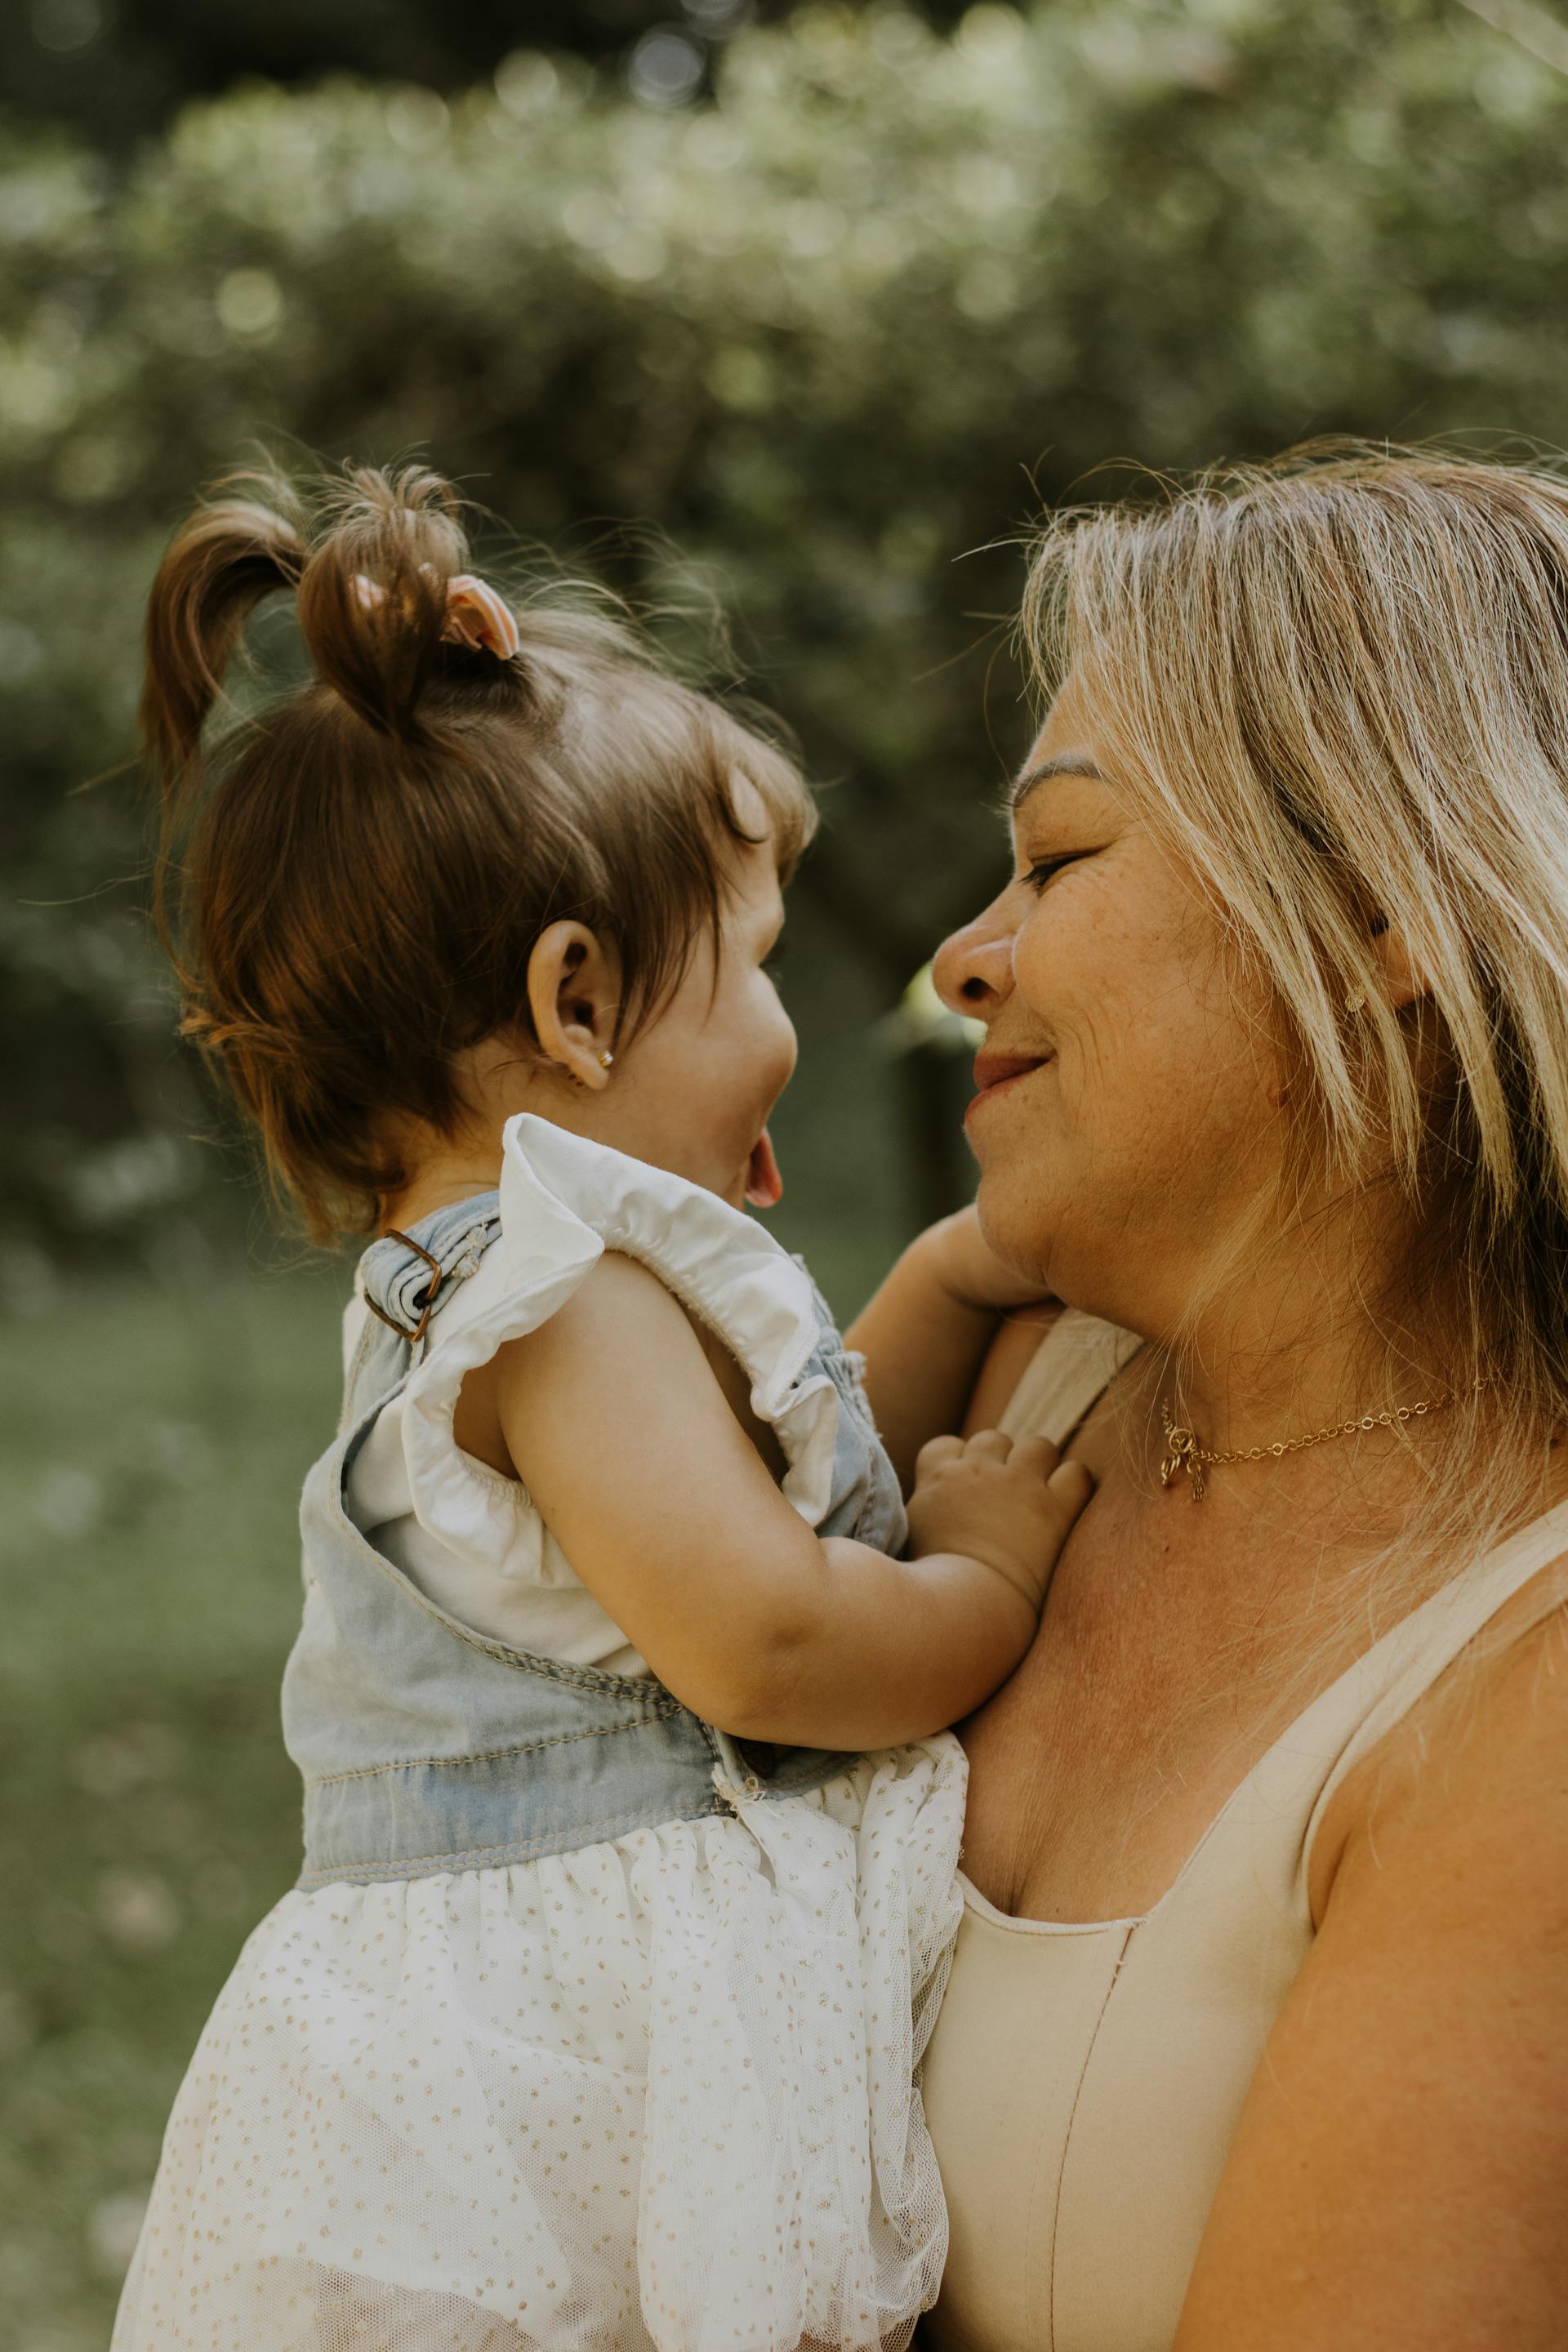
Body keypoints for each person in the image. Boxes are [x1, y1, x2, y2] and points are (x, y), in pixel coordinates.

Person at [112, 461, 1092, 2352]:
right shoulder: (558, 1300)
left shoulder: (498, 1285)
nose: (784, 1031)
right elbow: (769, 1632)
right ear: (576, 1003)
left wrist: (956, 1281)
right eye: (757, 966)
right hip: (539, 2111)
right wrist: (986, 1579)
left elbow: (759, 1492)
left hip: (457, 2073)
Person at [853, 448, 1568, 2350]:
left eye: (1060, 858)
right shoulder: (1022, 1391)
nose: (962, 956)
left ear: (1383, 919)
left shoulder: (1529, 1687)